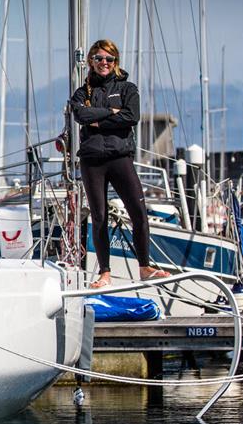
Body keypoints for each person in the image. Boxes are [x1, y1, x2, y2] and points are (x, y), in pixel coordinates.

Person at [70, 39, 170, 288]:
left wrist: (98, 120)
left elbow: (131, 117)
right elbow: (81, 115)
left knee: (138, 213)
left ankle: (144, 267)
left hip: (119, 157)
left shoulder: (128, 88)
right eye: (99, 58)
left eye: (109, 59)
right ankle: (104, 272)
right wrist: (113, 113)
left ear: (116, 62)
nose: (104, 63)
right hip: (92, 160)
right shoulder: (82, 93)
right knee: (99, 216)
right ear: (91, 61)